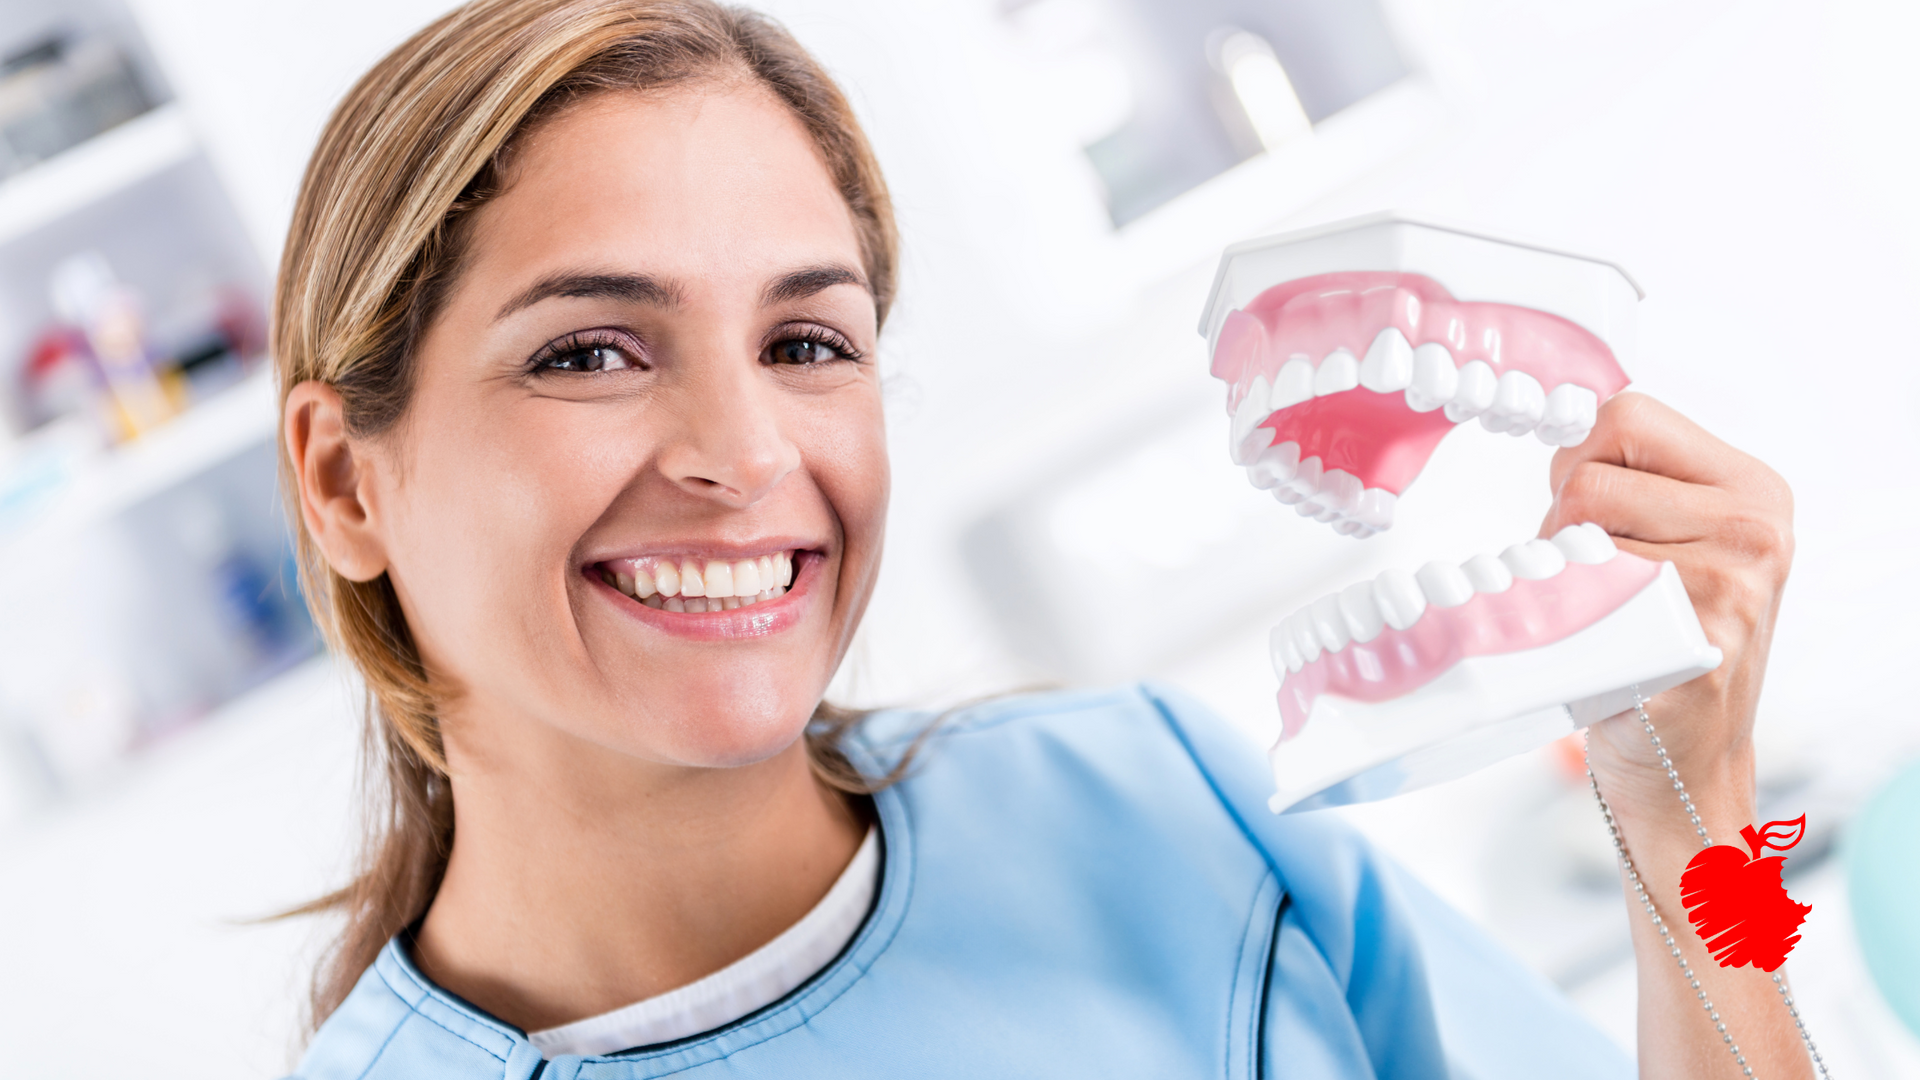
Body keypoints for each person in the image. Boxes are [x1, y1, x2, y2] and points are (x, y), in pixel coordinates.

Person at [276, 1, 1804, 1076]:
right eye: (592, 353)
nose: (744, 458)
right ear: (345, 483)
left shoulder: (1153, 793)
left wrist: (1691, 821)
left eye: (808, 341)